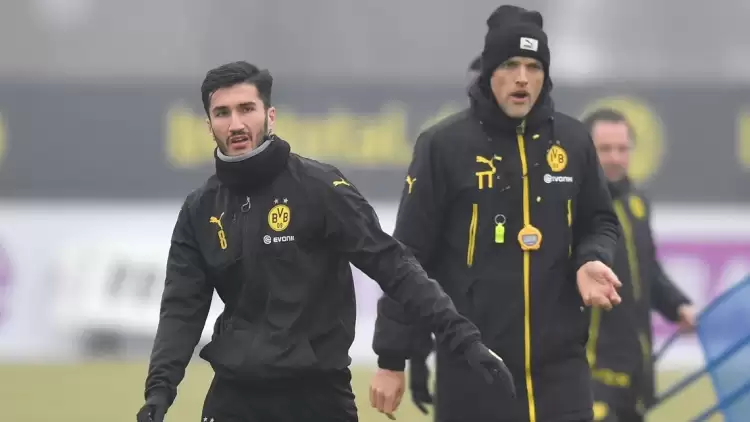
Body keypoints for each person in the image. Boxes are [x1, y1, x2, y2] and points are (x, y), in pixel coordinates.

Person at [135, 61, 514, 422]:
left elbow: (394, 266)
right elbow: (181, 308)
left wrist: (462, 338)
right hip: (234, 397)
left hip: (316, 397)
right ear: (209, 125)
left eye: (246, 109)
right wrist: (159, 392)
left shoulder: (320, 188)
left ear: (270, 115)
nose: (235, 124)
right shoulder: (200, 209)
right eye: (222, 113)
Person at [369, 5, 623, 422]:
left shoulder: (574, 141)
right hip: (472, 371)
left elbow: (601, 221)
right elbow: (408, 257)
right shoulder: (443, 145)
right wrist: (392, 357)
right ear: (489, 72)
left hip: (561, 376)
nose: (522, 77)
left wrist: (591, 258)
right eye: (509, 64)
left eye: (533, 66)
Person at [581, 108, 697, 422]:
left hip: (635, 377)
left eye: (622, 149)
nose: (615, 158)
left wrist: (678, 307)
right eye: (605, 149)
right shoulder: (568, 208)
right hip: (589, 379)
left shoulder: (637, 203)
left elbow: (649, 271)